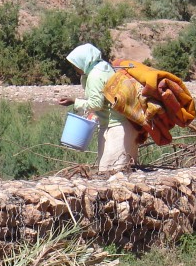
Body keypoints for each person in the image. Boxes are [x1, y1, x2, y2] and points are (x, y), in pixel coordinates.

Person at [56, 44, 139, 173]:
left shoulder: (95, 75)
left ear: (83, 61)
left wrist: (74, 101)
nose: (75, 68)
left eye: (75, 65)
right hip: (124, 124)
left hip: (116, 128)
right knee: (120, 170)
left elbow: (96, 104)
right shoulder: (104, 67)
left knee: (111, 172)